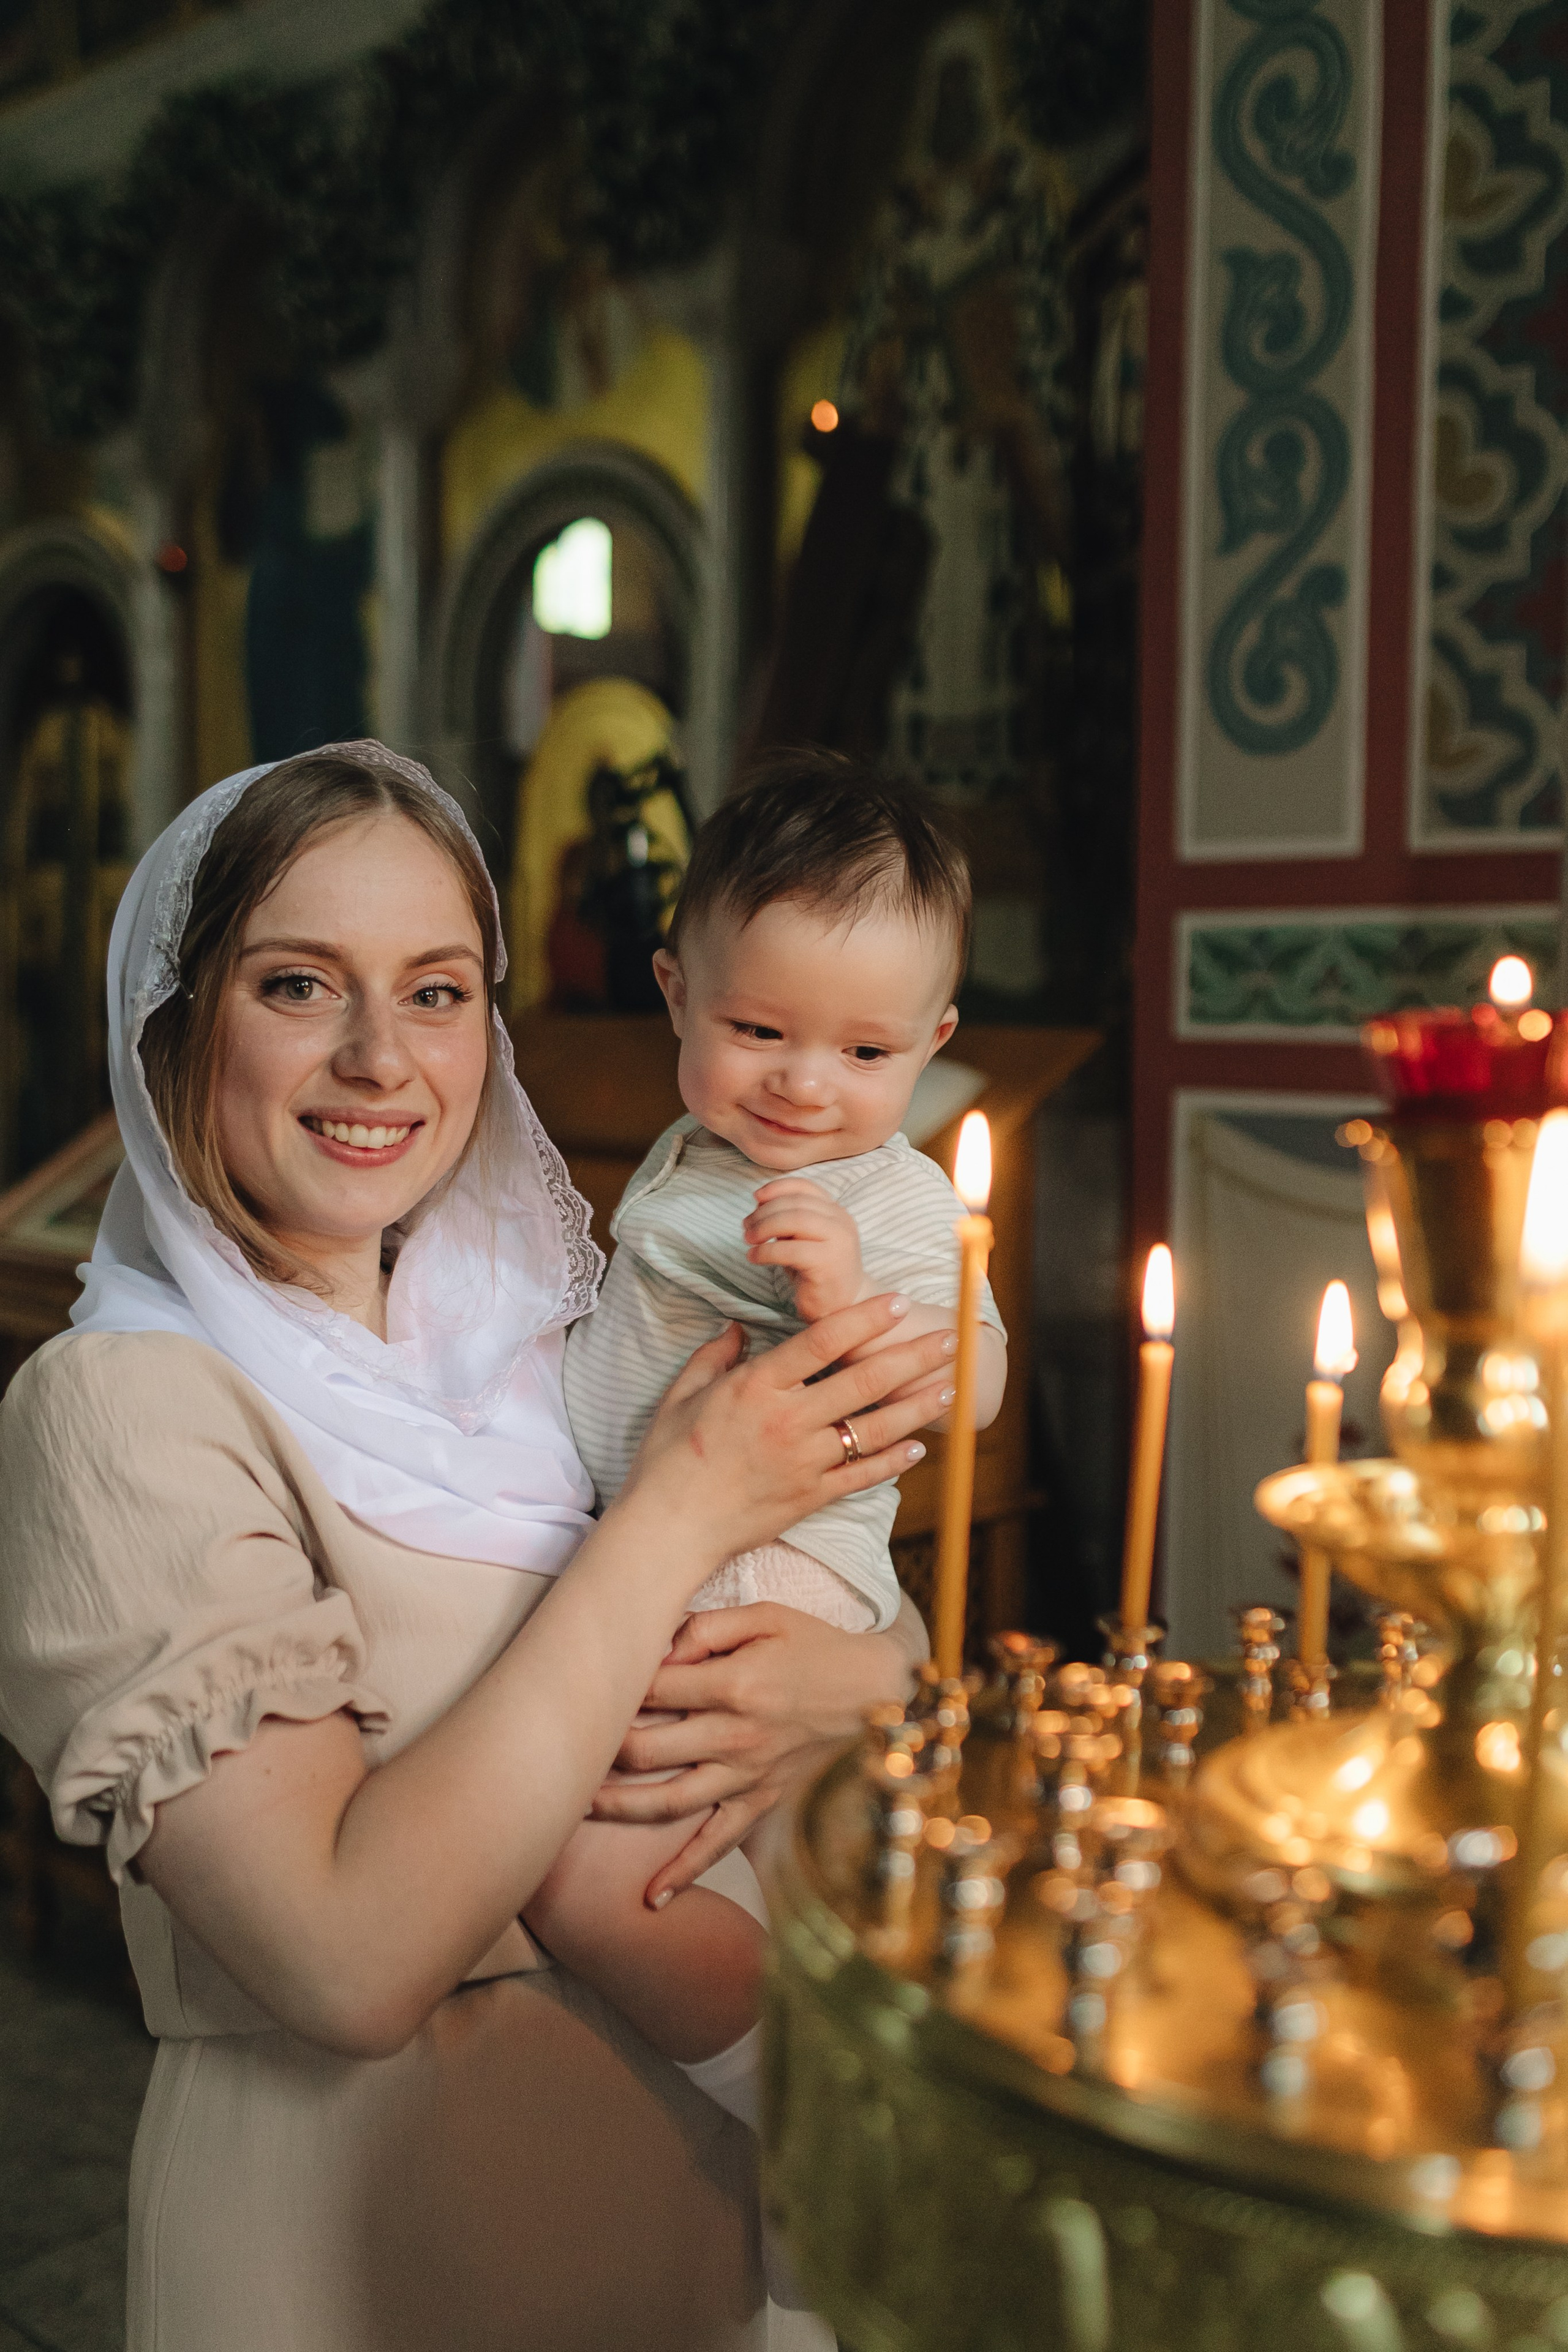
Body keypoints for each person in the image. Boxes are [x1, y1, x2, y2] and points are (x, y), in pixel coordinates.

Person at [0, 742, 956, 2352]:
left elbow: (848, 1604)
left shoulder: (546, 1339)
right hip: (356, 2272)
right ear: (172, 1025)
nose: (381, 1056)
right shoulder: (122, 1409)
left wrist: (869, 1686)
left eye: (436, 992)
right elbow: (345, 1957)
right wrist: (676, 1515)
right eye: (300, 985)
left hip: (704, 2254)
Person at [538, 755, 1006, 2120]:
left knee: (615, 1866)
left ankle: (813, 2126)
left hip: (776, 1578)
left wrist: (850, 1302)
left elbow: (967, 1386)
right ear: (674, 992)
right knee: (669, 1865)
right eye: (758, 1032)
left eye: (866, 1054)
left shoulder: (897, 1200)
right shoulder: (686, 1156)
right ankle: (810, 2105)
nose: (807, 1086)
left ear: (928, 1044)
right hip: (647, 1555)